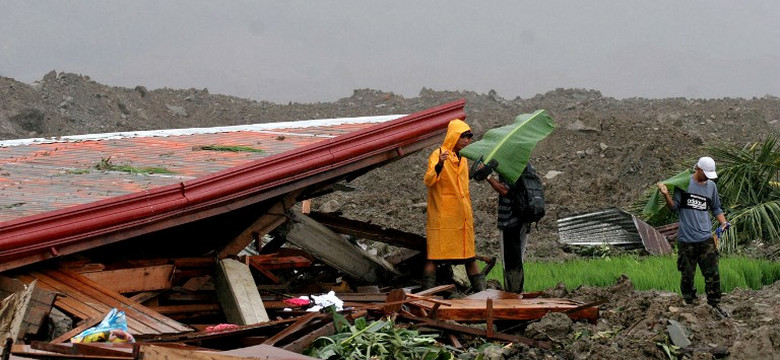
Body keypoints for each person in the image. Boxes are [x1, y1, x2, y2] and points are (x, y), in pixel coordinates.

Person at [657, 156, 730, 316]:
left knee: (713, 273)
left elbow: (716, 208)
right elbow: (674, 208)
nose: (707, 178)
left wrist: (724, 223)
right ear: (698, 169)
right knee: (687, 275)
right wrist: (665, 195)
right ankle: (689, 302)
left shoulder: (711, 187)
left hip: (705, 238)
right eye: (705, 174)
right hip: (686, 240)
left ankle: (714, 304)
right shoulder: (683, 184)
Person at [422, 119, 484, 292]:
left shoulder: (463, 159)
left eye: (469, 137)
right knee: (433, 258)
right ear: (453, 136)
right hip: (442, 218)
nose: (467, 140)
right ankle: (427, 296)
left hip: (461, 217)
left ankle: (482, 294)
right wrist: (440, 164)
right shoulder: (438, 154)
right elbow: (428, 180)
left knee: (470, 257)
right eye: (463, 136)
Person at [483, 165, 533, 293]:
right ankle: (517, 292)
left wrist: (488, 177)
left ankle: (512, 293)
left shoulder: (510, 165)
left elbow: (505, 190)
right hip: (524, 219)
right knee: (518, 258)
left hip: (510, 220)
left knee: (509, 261)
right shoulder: (527, 165)